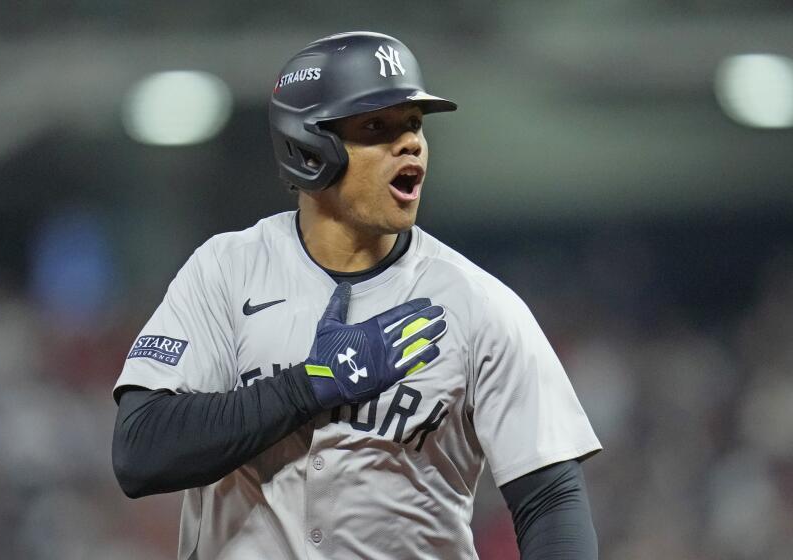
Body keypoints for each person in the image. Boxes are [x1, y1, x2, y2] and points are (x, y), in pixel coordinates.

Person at [112, 31, 602, 559]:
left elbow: (551, 499)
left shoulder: (478, 304)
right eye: (376, 127)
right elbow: (142, 453)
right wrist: (310, 385)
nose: (410, 142)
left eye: (413, 125)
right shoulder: (227, 271)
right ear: (308, 148)